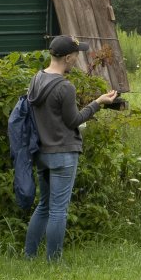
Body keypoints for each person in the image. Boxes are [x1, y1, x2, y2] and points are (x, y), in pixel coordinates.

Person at [24, 35, 119, 260]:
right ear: (67, 57)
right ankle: (53, 260)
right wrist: (98, 103)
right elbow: (74, 120)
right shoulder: (65, 86)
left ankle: (30, 256)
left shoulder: (36, 79)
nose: (78, 58)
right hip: (63, 153)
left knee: (44, 205)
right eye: (76, 55)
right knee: (58, 210)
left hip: (42, 152)